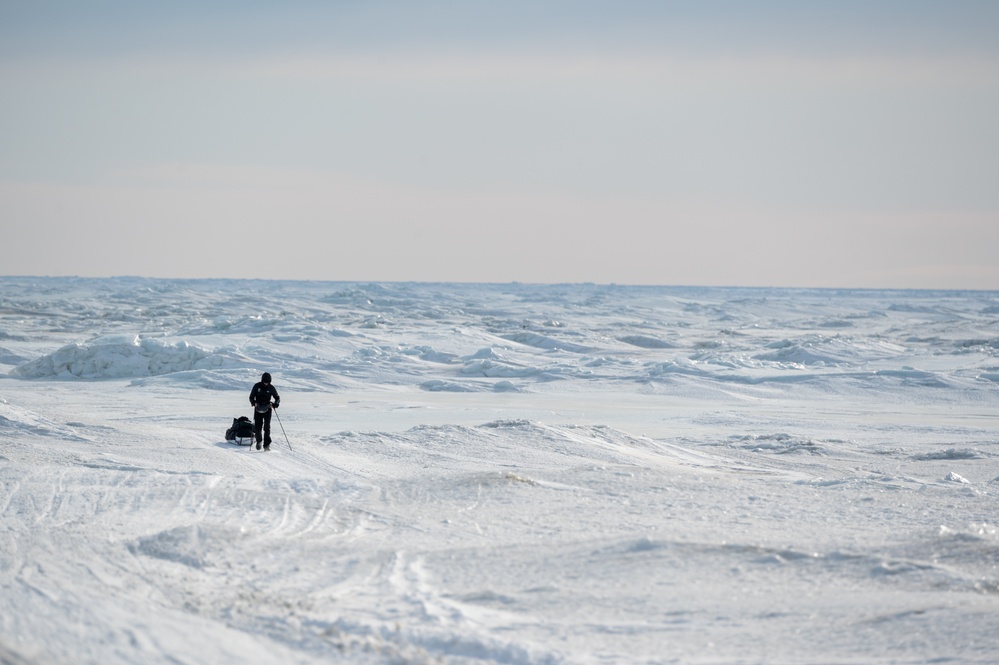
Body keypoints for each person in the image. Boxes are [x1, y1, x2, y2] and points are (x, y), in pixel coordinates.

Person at [248, 372, 281, 450]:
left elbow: (277, 398)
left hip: (267, 409)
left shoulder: (271, 388)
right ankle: (259, 441)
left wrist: (275, 404)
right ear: (262, 380)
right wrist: (253, 403)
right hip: (258, 409)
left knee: (267, 428)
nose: (266, 383)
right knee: (257, 427)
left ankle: (266, 445)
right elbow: (251, 397)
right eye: (264, 382)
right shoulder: (256, 386)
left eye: (268, 382)